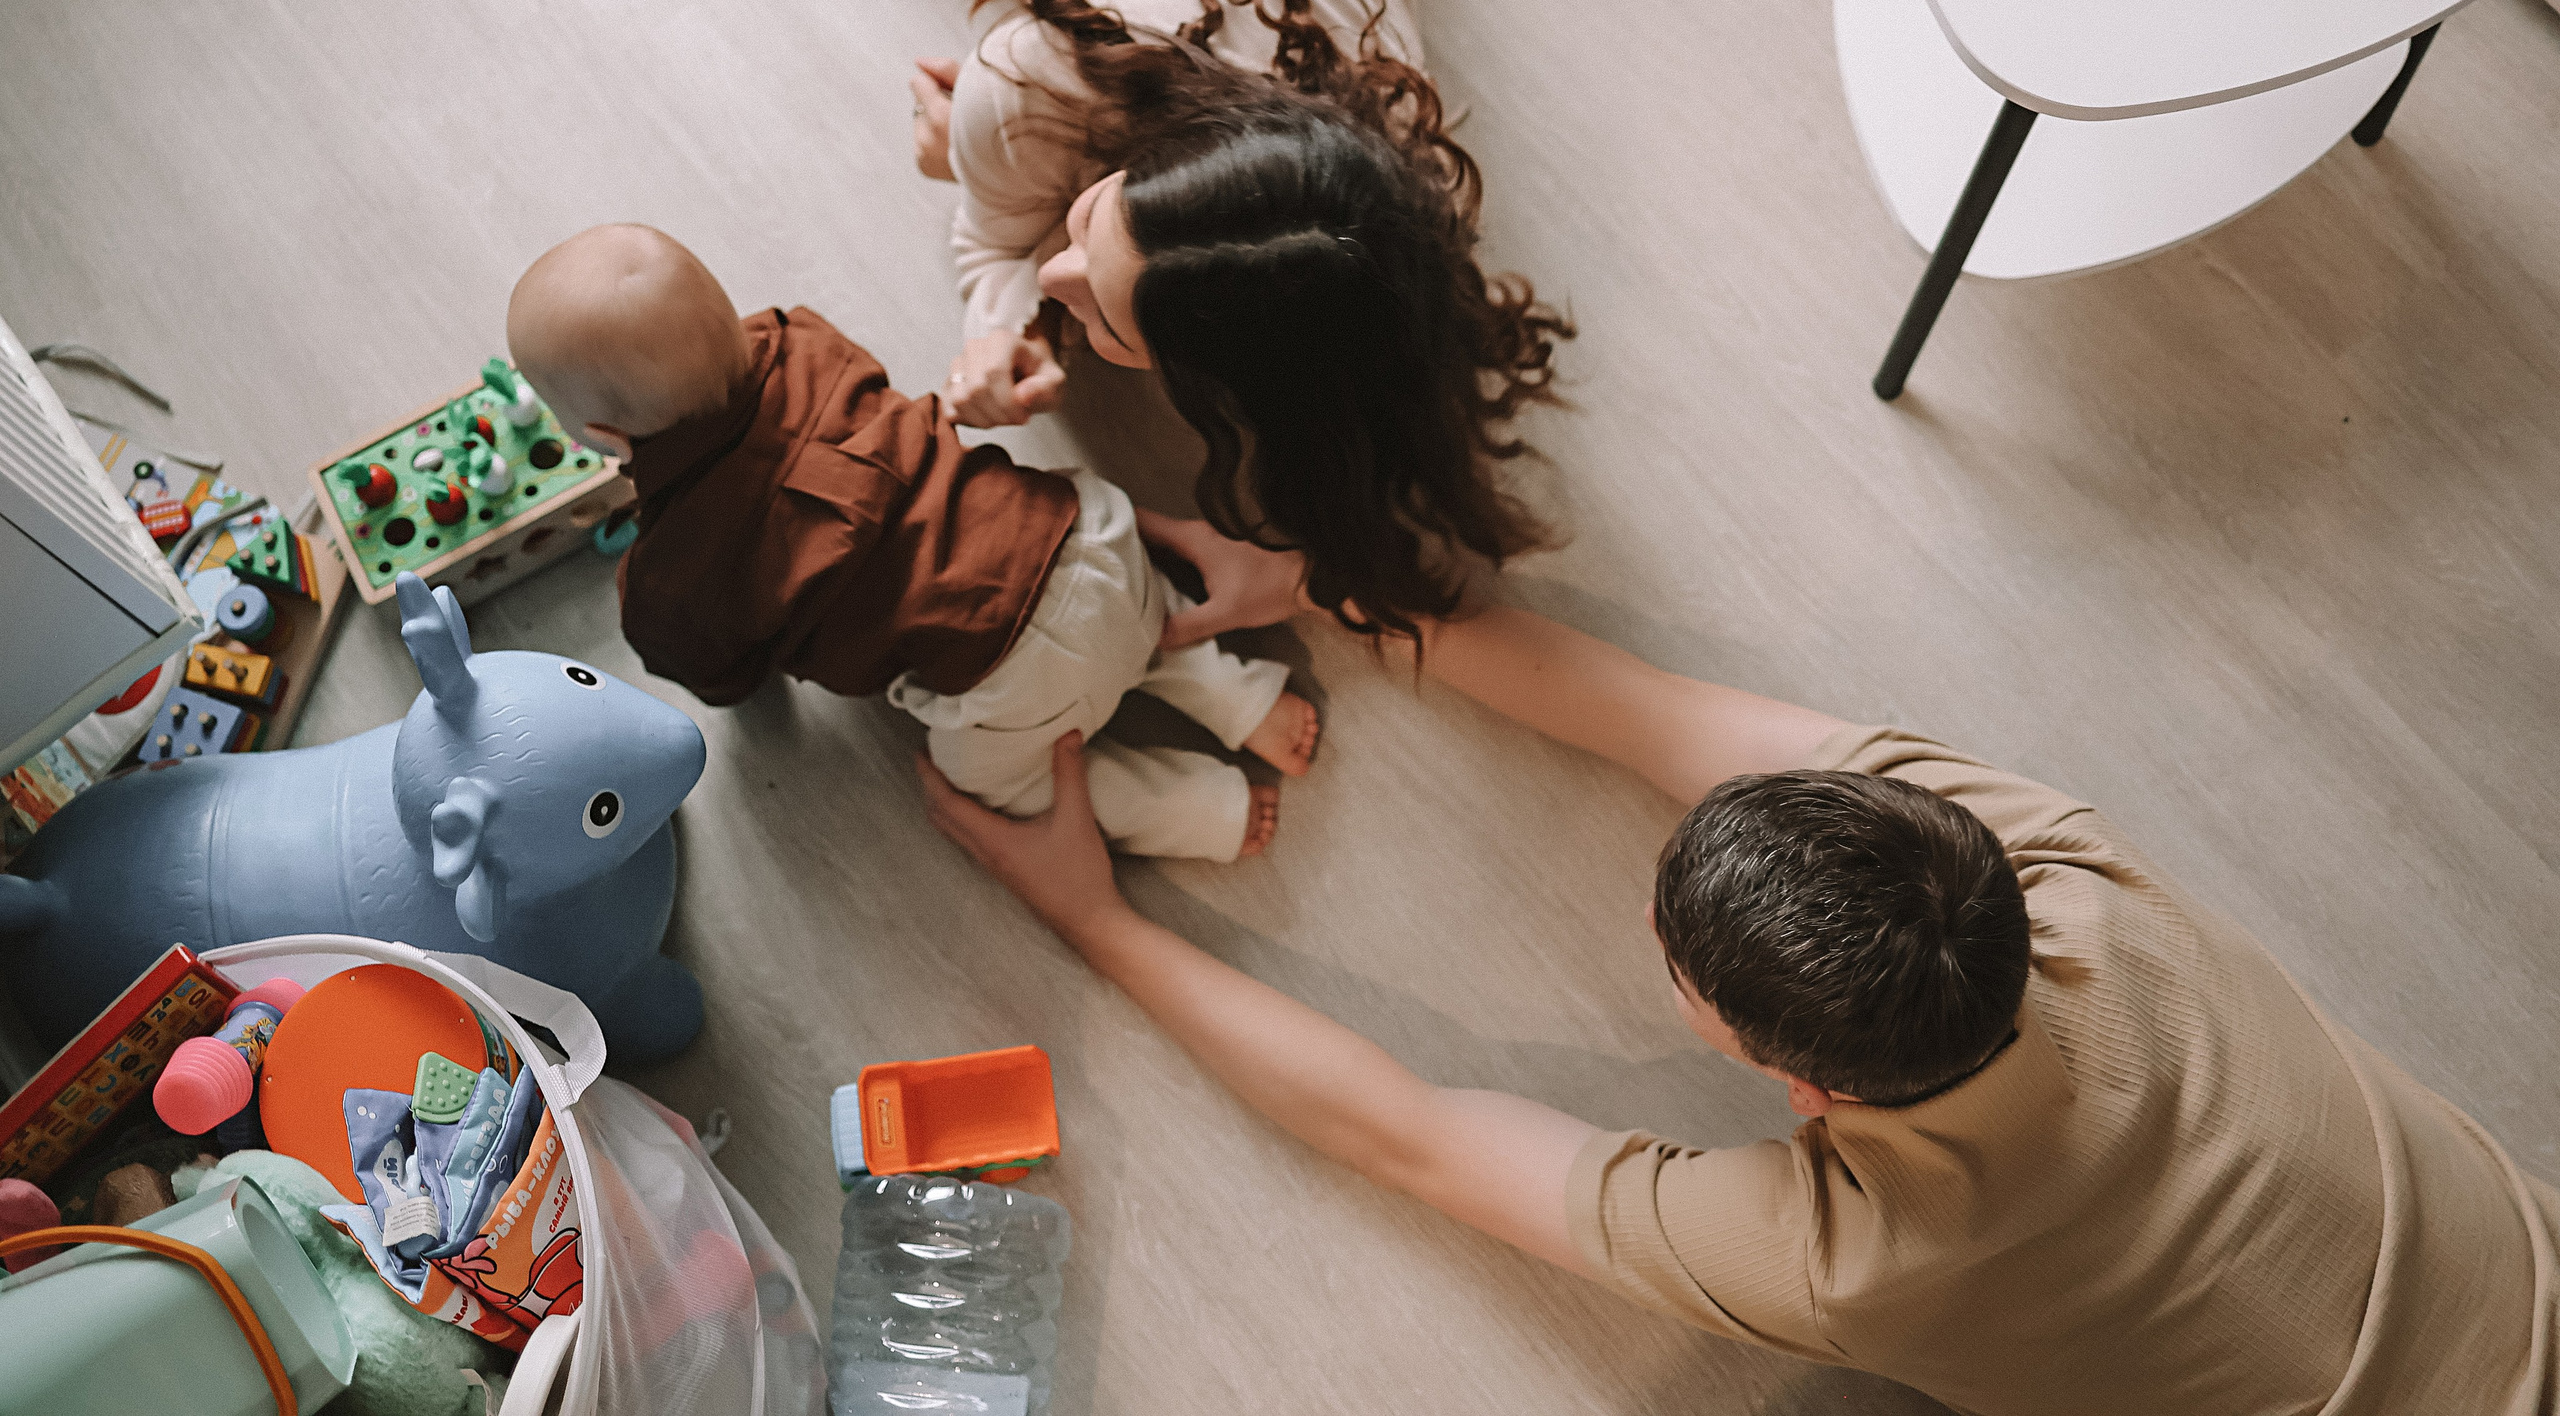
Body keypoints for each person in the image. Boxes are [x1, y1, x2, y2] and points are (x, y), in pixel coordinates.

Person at [919, 606, 2560, 1414]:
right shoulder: (2068, 877)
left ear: (1787, 1074)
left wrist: (1087, 918)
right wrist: (1351, 596)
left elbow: (1410, 1135)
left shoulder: (1853, 1263)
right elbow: (1649, 707)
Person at [677, 0, 1573, 646]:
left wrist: (1000, 267)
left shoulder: (1369, 177)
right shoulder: (1030, 79)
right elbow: (994, 237)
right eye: (1087, 225)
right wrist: (982, 215)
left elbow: (1016, 239)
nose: (1054, 280)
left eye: (1101, 314)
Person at [508, 222, 1318, 861]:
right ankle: (1235, 694)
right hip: (1088, 534)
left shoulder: (673, 579)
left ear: (606, 435)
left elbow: (722, 676)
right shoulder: (802, 338)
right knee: (1121, 607)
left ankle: (1195, 809)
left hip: (1009, 679)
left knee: (994, 781)